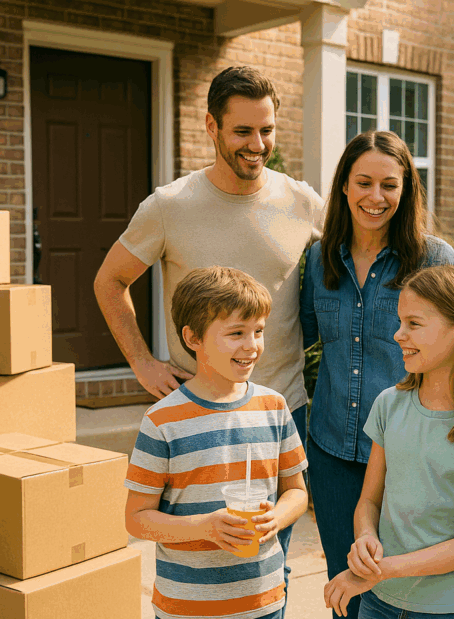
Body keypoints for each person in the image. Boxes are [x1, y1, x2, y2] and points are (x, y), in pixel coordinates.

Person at [94, 65, 323, 588]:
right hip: (193, 420)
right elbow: (110, 282)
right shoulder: (170, 206)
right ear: (211, 127)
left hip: (279, 411)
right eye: (242, 131)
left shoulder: (301, 202)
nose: (257, 144)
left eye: (267, 130)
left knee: (269, 570)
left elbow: (359, 262)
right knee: (197, 562)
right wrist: (141, 362)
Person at [300, 130, 454, 619]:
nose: (376, 196)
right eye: (363, 182)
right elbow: (307, 341)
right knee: (349, 588)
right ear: (344, 186)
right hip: (333, 452)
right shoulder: (320, 258)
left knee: (413, 584)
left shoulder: (433, 257)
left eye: (389, 185)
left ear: (406, 188)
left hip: (408, 453)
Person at [124, 266, 309, 619]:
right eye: (236, 333)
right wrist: (206, 527)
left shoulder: (273, 407)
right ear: (193, 338)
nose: (252, 346)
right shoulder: (162, 421)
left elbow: (296, 492)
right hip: (187, 613)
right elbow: (136, 518)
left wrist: (275, 518)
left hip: (260, 606)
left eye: (258, 331)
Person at [323, 265, 454, 619]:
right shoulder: (389, 404)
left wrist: (376, 571)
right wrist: (366, 537)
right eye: (399, 322)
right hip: (381, 606)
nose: (398, 334)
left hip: (449, 617)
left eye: (414, 324)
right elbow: (369, 500)